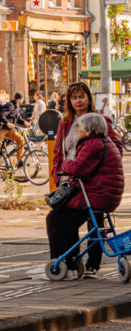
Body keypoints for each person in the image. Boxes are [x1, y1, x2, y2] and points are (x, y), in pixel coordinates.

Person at [47, 100, 124, 275]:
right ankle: (73, 262)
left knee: (55, 219)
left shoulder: (92, 144)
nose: (78, 131)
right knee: (66, 217)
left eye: (80, 128)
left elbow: (77, 168)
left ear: (89, 129)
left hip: (96, 195)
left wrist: (65, 164)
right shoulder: (104, 141)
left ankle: (62, 263)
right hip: (104, 194)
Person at [0, 89, 27, 163]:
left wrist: (24, 122)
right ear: (21, 99)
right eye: (23, 99)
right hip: (2, 129)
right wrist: (7, 123)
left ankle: (20, 161)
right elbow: (1, 115)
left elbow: (18, 118)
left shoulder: (16, 106)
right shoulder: (10, 105)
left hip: (8, 130)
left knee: (21, 140)